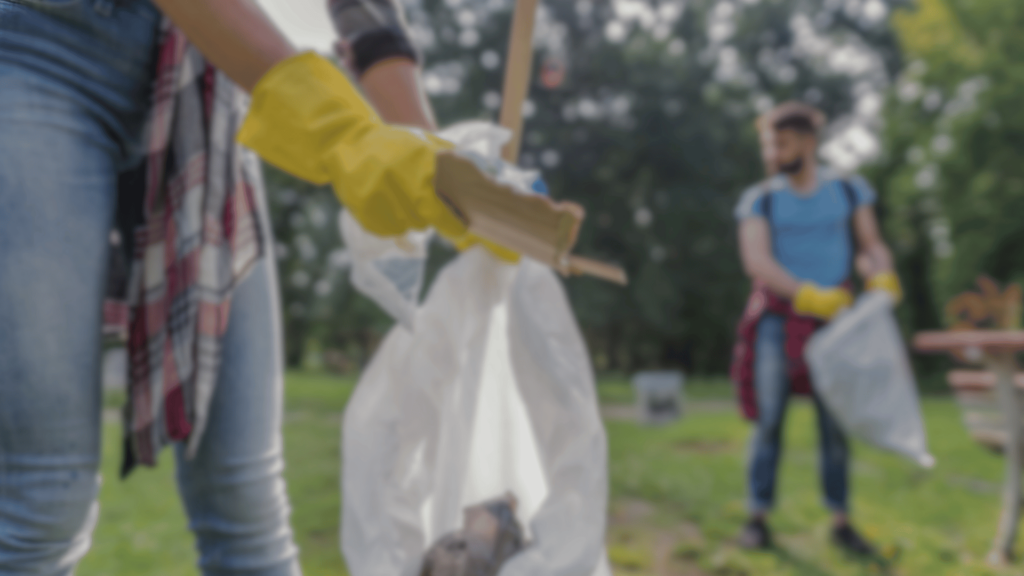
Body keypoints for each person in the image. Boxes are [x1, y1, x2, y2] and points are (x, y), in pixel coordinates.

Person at [0, 1, 475, 574]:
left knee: (247, 499)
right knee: (42, 503)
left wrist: (453, 182)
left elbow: (366, 16)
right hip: (36, 44)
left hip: (202, 79)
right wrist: (339, 128)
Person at [729, 102, 903, 555]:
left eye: (781, 142)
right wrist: (805, 293)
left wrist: (880, 273)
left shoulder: (847, 190)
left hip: (835, 323)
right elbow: (757, 260)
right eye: (769, 143)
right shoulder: (760, 199)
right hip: (778, 320)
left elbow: (870, 246)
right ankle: (757, 517)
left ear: (808, 142)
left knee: (835, 421)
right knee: (769, 421)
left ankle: (841, 521)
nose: (772, 152)